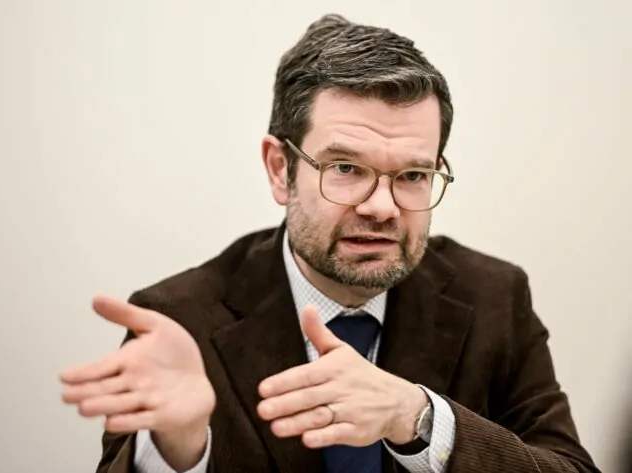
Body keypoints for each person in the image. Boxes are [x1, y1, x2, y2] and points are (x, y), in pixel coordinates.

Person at [60, 13, 601, 473]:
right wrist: (177, 449)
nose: (382, 207)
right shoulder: (180, 321)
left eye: (413, 175)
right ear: (280, 169)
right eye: (346, 168)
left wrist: (418, 417)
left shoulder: (494, 298)